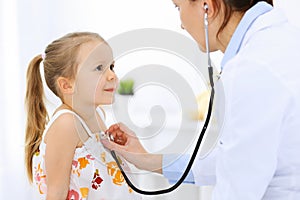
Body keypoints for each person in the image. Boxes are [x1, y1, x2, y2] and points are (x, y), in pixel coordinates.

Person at [101, 0, 300, 199]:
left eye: (178, 7)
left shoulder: (250, 68)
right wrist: (150, 159)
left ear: (207, 6)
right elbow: (240, 158)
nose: (181, 24)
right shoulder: (280, 42)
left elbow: (237, 189)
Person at [25, 32, 141, 200]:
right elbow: (56, 193)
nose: (112, 75)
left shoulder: (97, 115)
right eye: (99, 68)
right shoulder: (67, 124)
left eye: (111, 67)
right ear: (67, 85)